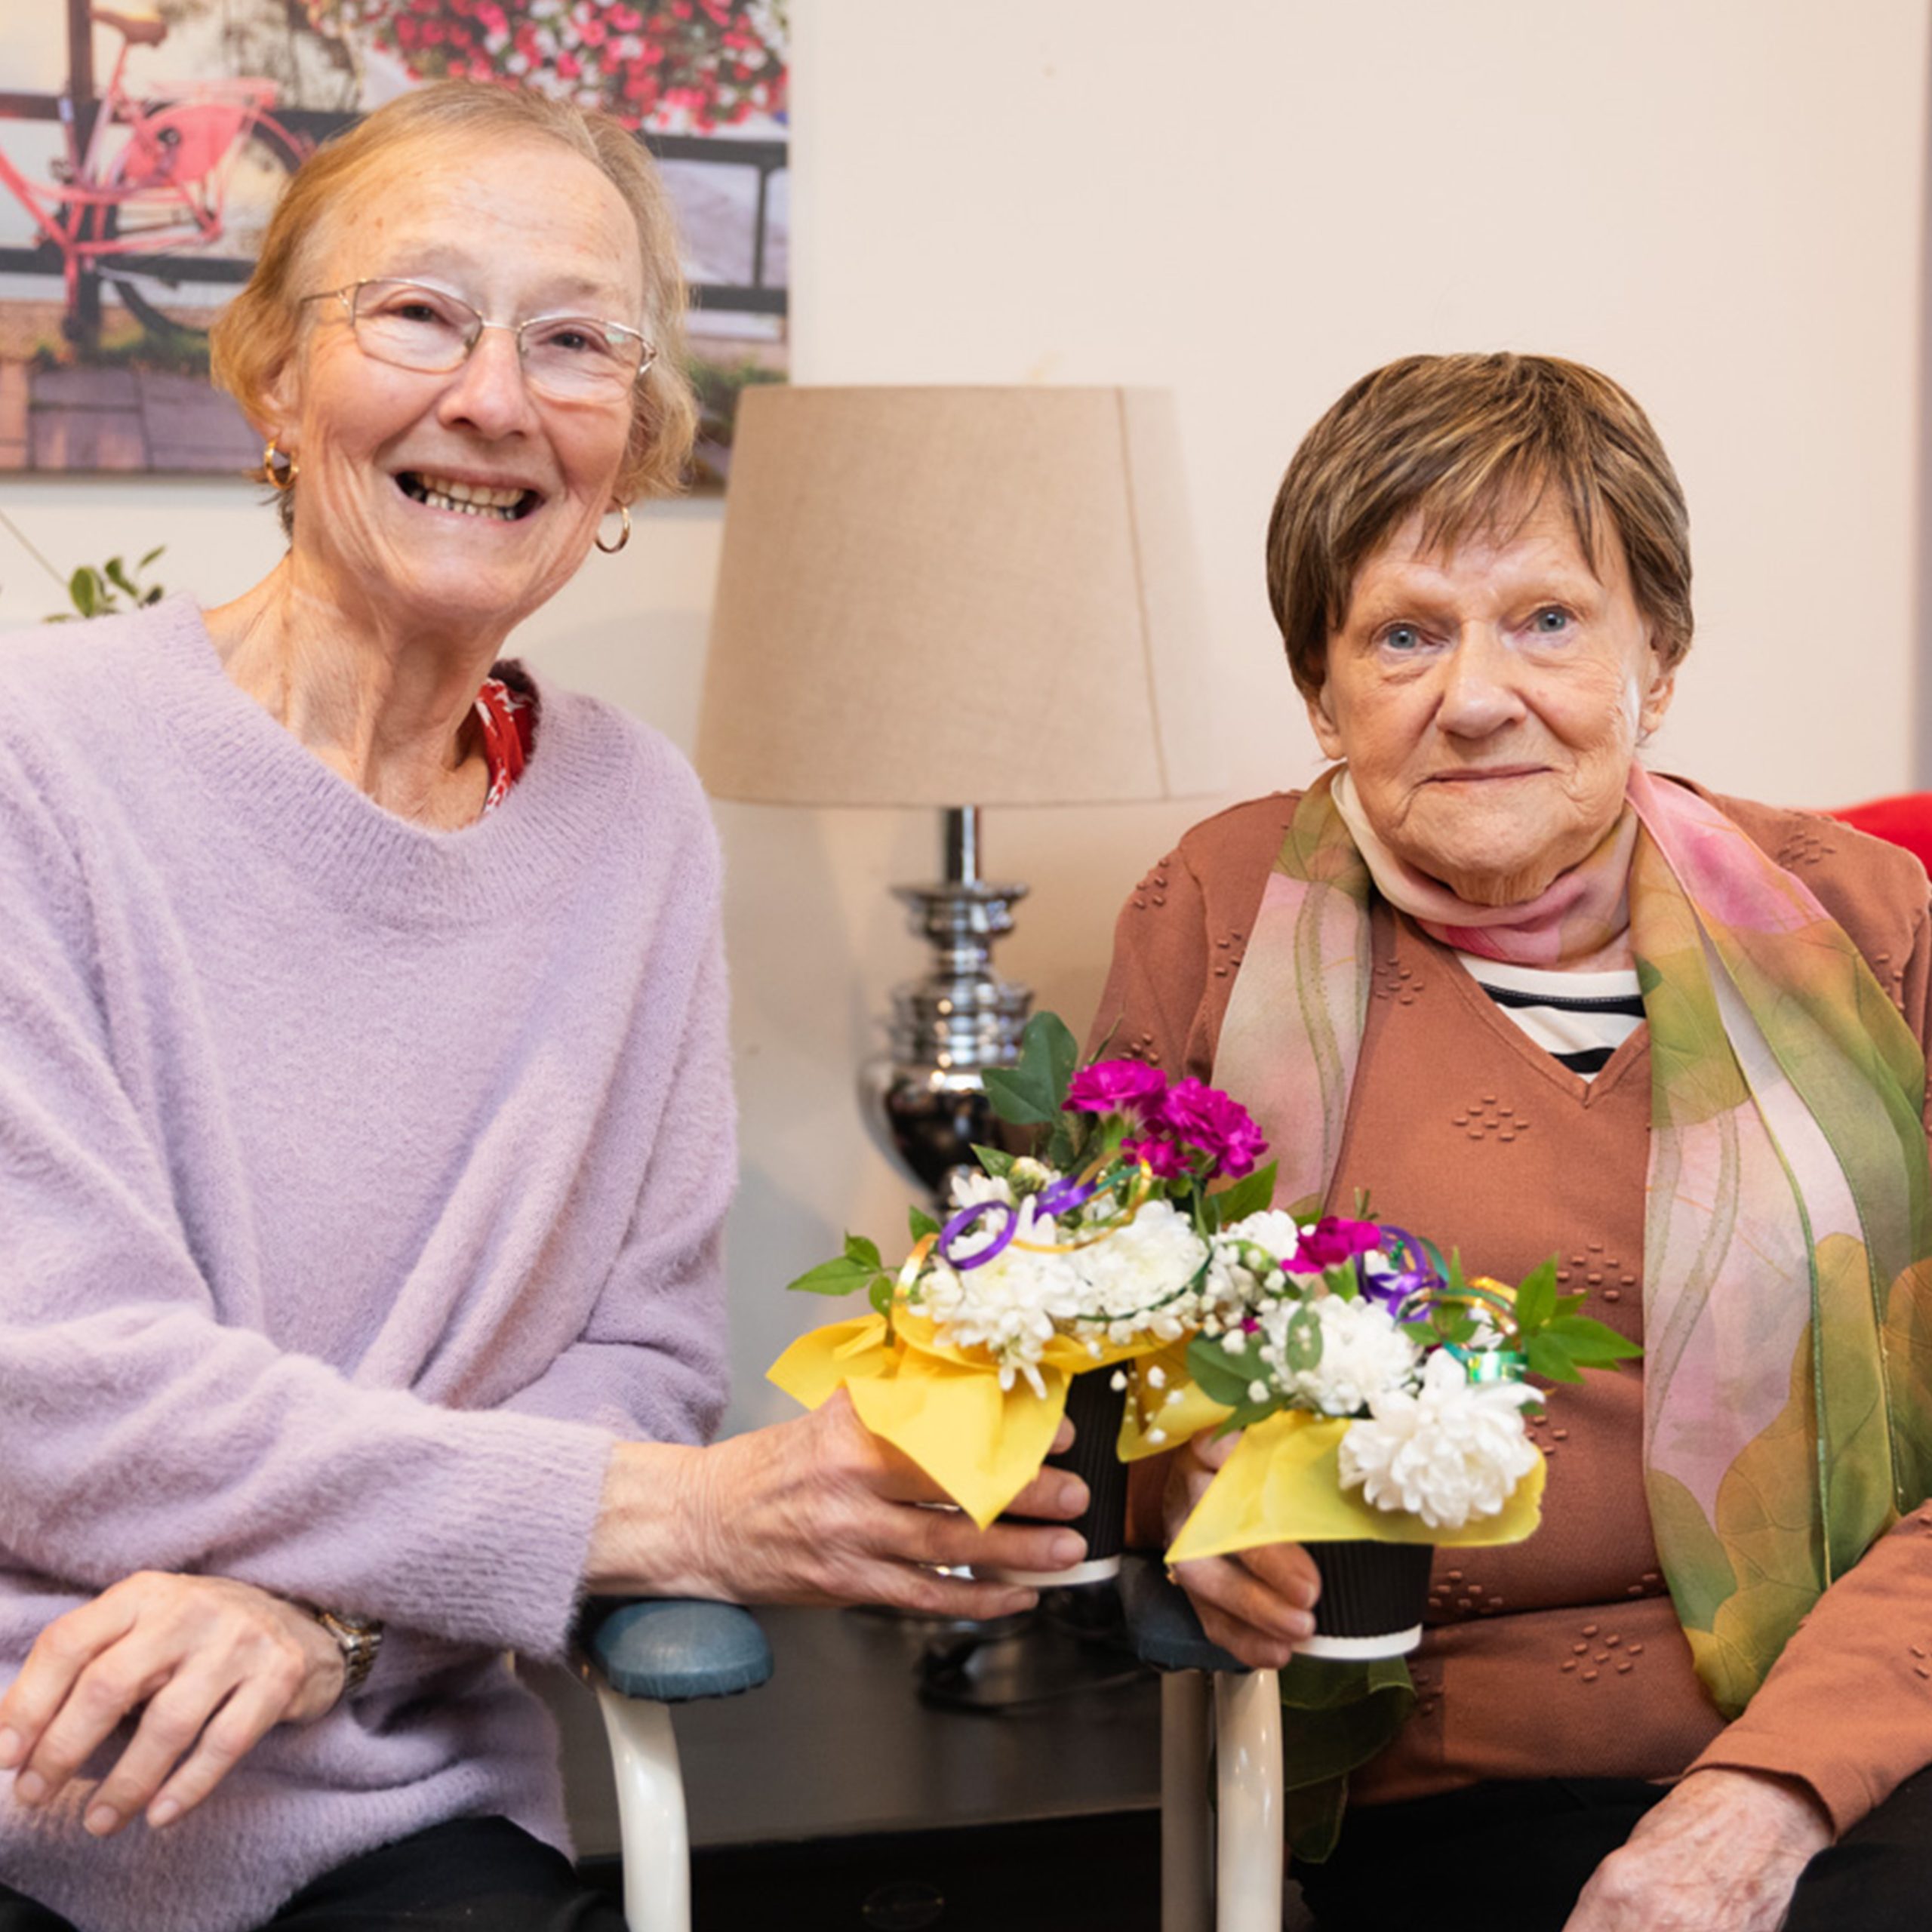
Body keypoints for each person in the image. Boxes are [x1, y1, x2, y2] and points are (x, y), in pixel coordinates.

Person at [0, 83, 1086, 1932]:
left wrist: (317, 1602)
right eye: (418, 312)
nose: (494, 397)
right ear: (271, 374)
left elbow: (638, 1357)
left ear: (627, 447)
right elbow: (64, 1389)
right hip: (38, 1742)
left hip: (388, 1768)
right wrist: (677, 1516)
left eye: (574, 341)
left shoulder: (634, 822)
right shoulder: (41, 759)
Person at [1095, 352, 1932, 1932]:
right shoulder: (1207, 913)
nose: (1475, 694)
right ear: (1320, 688)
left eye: (1546, 618)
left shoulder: (1867, 919)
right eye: (1403, 633)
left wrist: (1769, 1792)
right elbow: (1096, 1364)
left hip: (1870, 1734)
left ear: (1655, 653)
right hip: (1433, 1776)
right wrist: (1190, 1475)